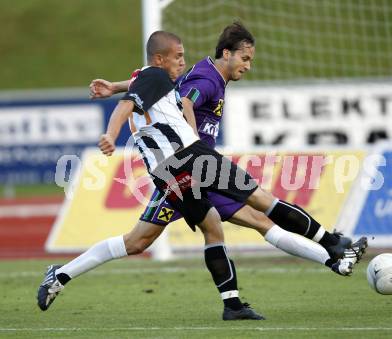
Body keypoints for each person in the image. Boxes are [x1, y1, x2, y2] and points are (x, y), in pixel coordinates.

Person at [37, 25, 366, 320]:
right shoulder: (166, 77)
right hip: (192, 159)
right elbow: (138, 104)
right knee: (261, 200)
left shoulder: (155, 79)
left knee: (155, 237)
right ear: (161, 58)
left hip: (166, 174)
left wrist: (114, 86)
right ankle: (333, 244)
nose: (184, 62)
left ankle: (61, 276)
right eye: (178, 57)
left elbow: (142, 89)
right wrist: (112, 134)